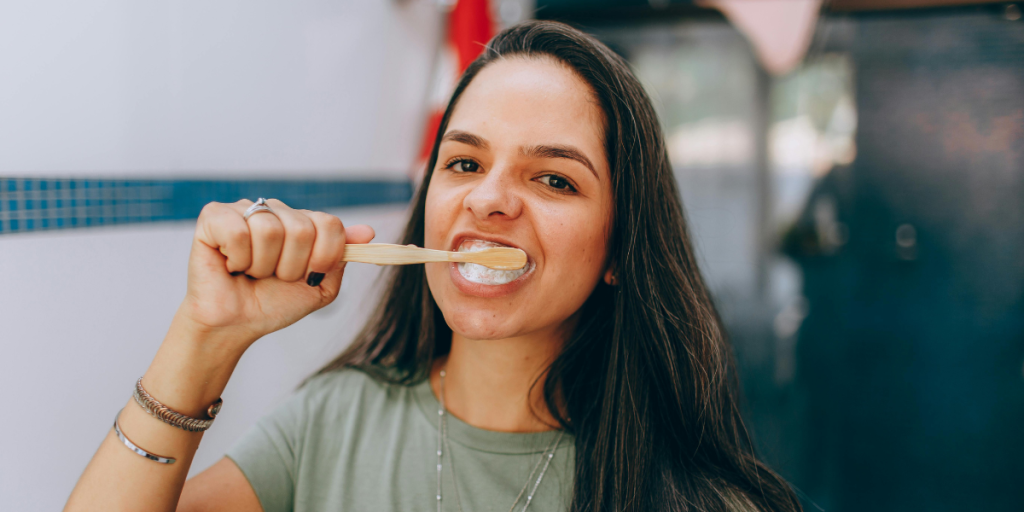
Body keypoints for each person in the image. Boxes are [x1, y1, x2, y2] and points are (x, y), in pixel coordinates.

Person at [65, 21, 800, 512]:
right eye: (465, 161)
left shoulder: (700, 498)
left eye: (554, 179)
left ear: (619, 250)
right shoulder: (334, 422)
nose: (489, 199)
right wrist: (204, 336)